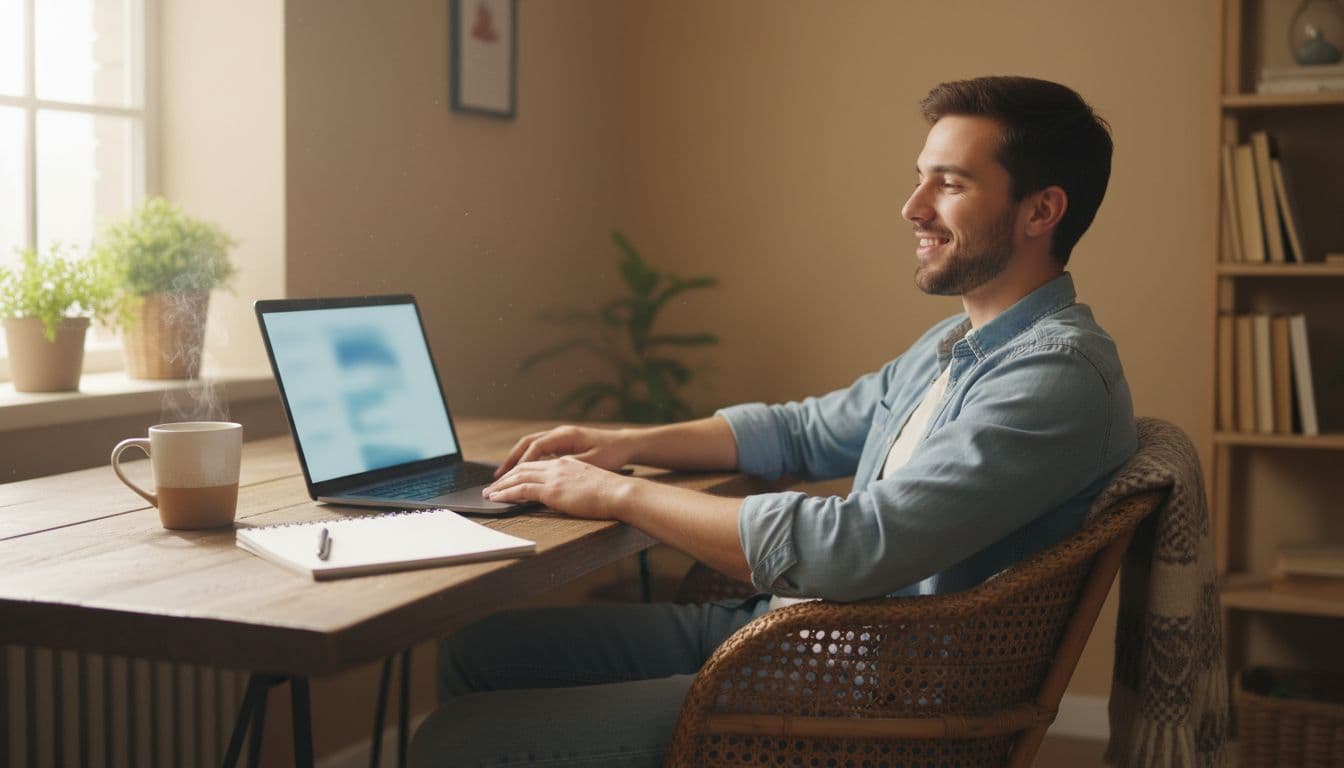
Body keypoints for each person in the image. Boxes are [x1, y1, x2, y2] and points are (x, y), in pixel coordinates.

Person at [409, 75, 1137, 767]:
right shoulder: (958, 345)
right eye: (921, 177)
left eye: (949, 184)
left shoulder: (1055, 375)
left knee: (455, 740)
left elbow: (856, 545)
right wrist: (624, 444)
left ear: (1041, 211)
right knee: (481, 649)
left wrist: (616, 493)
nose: (913, 206)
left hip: (866, 688)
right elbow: (803, 431)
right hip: (794, 630)